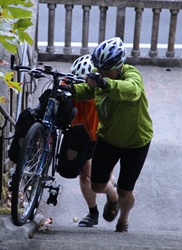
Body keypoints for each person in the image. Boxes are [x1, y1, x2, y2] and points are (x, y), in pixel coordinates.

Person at [71, 37, 153, 232]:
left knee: (126, 190)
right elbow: (87, 90)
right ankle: (112, 197)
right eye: (99, 71)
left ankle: (123, 219)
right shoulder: (100, 78)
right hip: (108, 139)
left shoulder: (132, 75)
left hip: (136, 141)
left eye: (106, 72)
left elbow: (131, 90)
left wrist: (105, 83)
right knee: (97, 186)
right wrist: (70, 90)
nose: (101, 74)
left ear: (119, 67)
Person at [68, 54, 116, 227]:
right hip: (81, 136)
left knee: (98, 179)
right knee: (86, 177)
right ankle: (93, 212)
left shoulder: (100, 93)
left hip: (102, 136)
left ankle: (113, 196)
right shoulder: (70, 87)